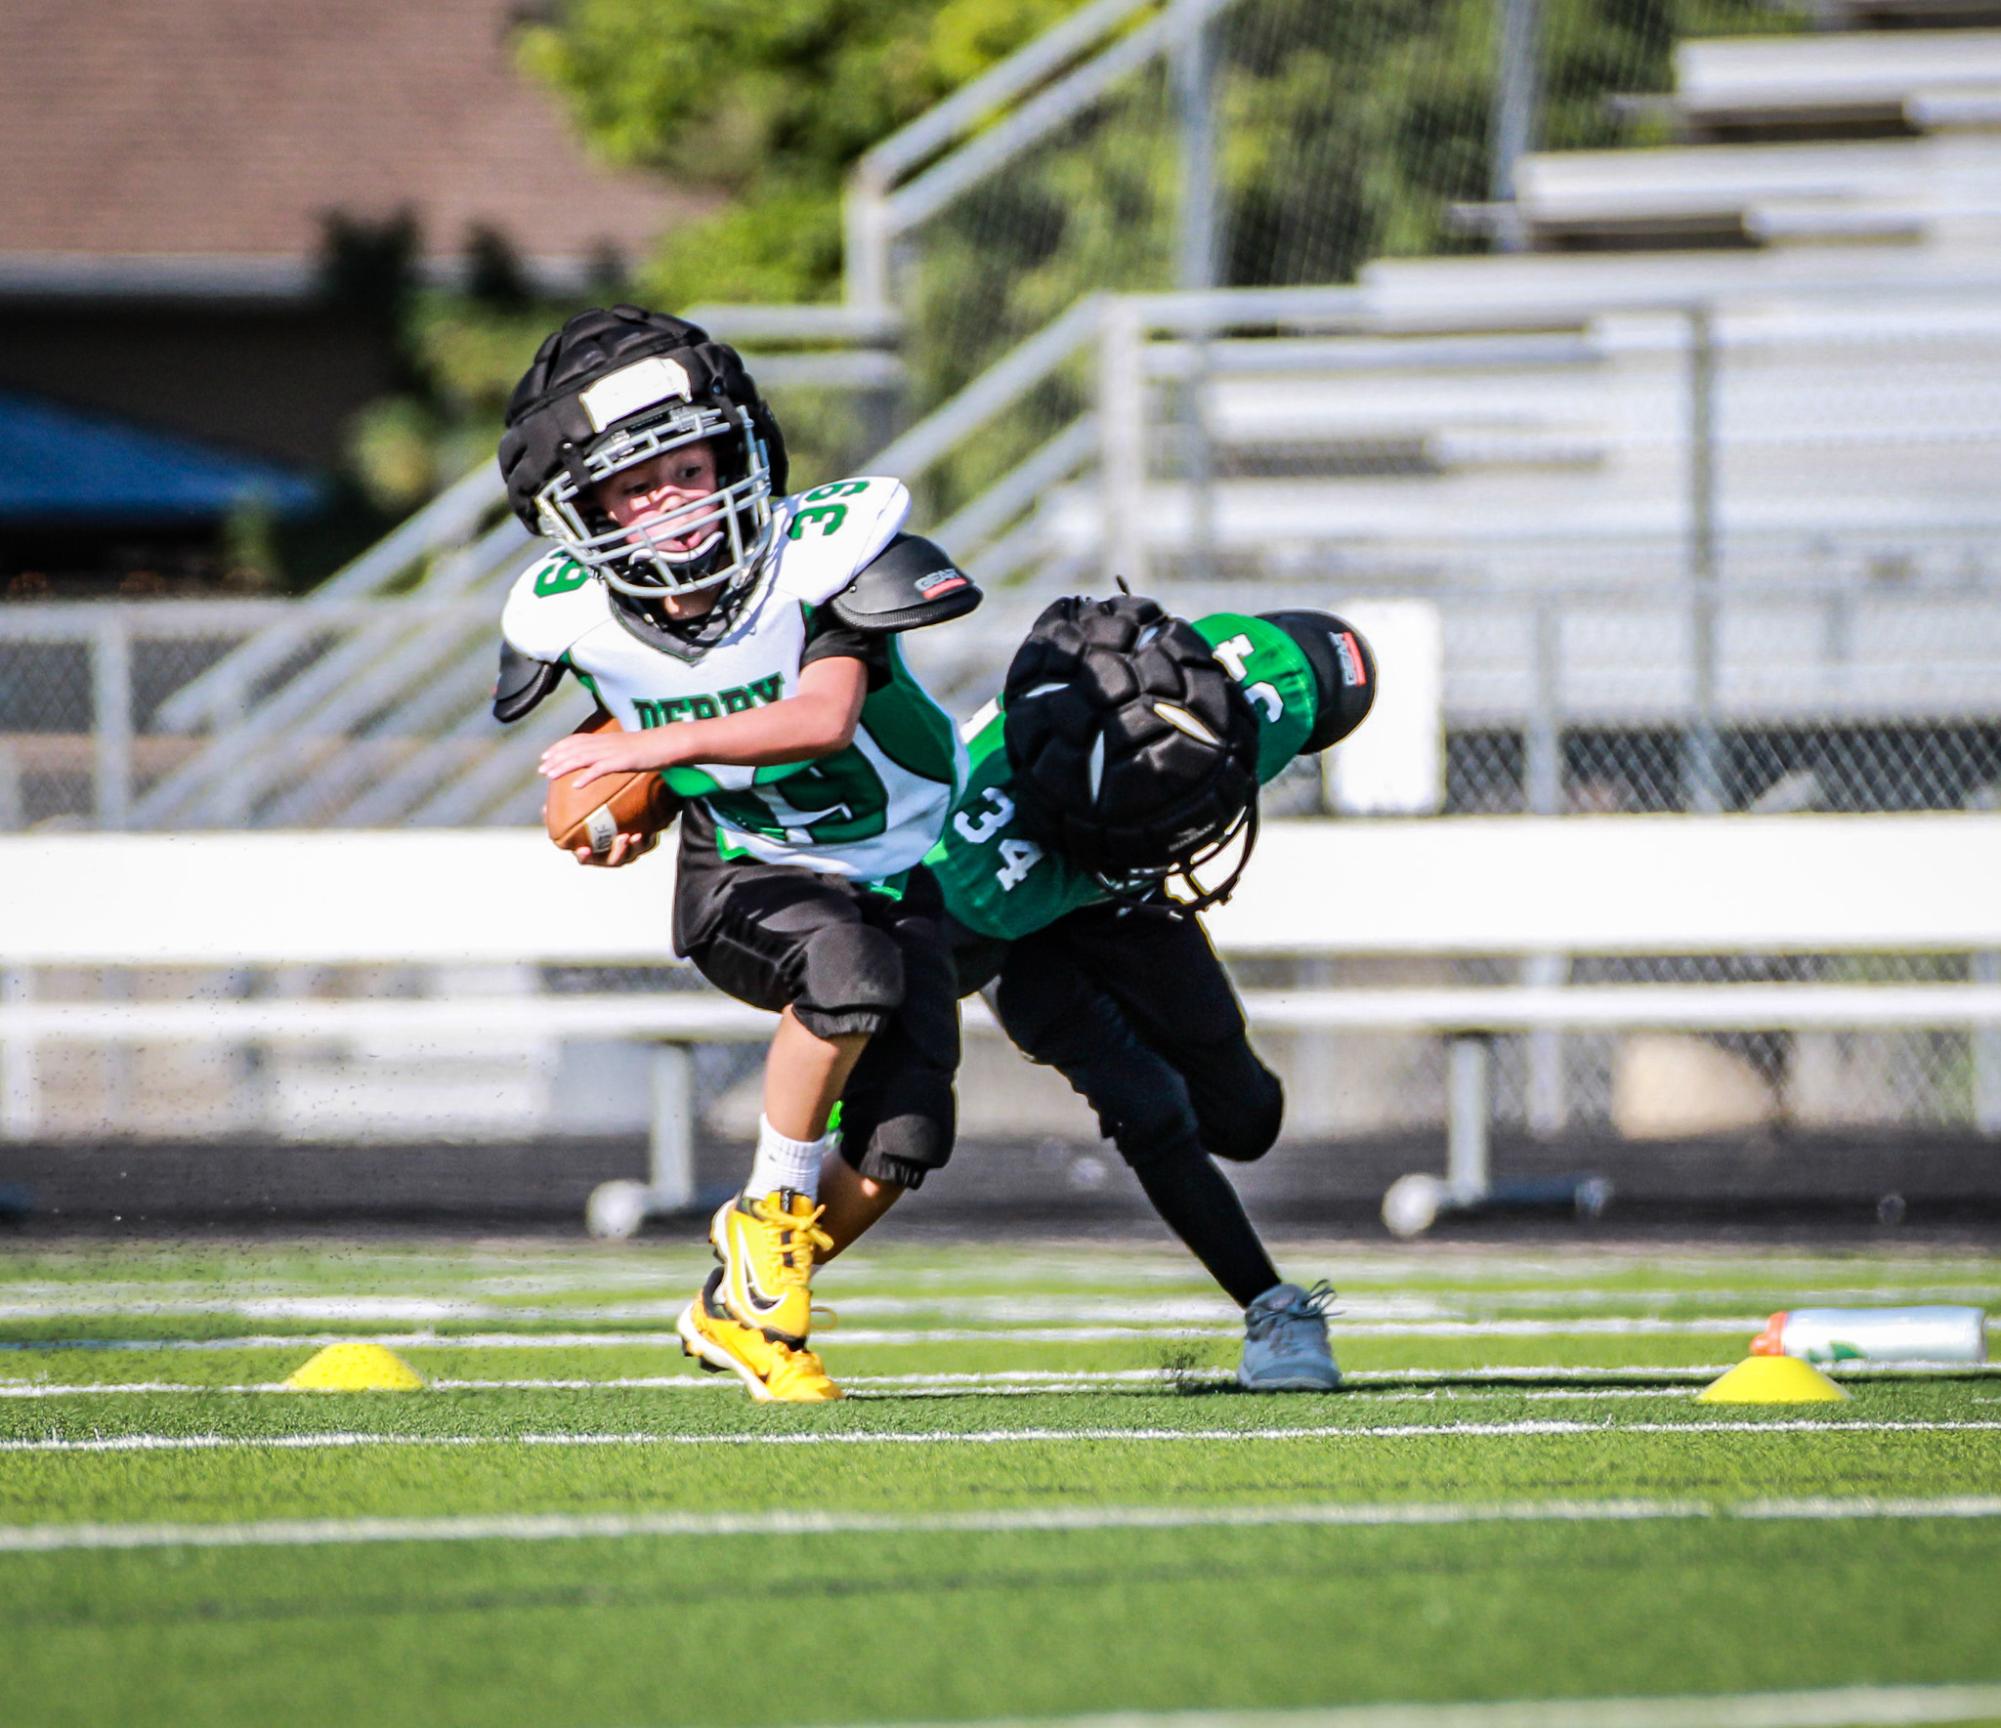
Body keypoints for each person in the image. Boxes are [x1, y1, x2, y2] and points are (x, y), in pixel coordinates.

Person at [491, 305, 979, 1402]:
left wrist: (653, 745)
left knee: (905, 1140)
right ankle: (764, 1218)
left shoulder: (819, 561)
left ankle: (734, 1313)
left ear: (736, 450)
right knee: (850, 974)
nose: (662, 499)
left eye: (681, 464)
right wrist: (638, 804)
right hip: (748, 872)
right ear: (581, 510)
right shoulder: (580, 619)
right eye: (629, 486)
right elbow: (640, 775)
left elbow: (817, 719)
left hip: (893, 869)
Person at [812, 596, 1376, 1390]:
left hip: (1107, 896)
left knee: (1244, 1120)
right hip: (1017, 897)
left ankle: (760, 1256)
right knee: (1148, 1106)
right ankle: (1271, 1307)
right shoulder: (979, 871)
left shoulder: (1244, 682)